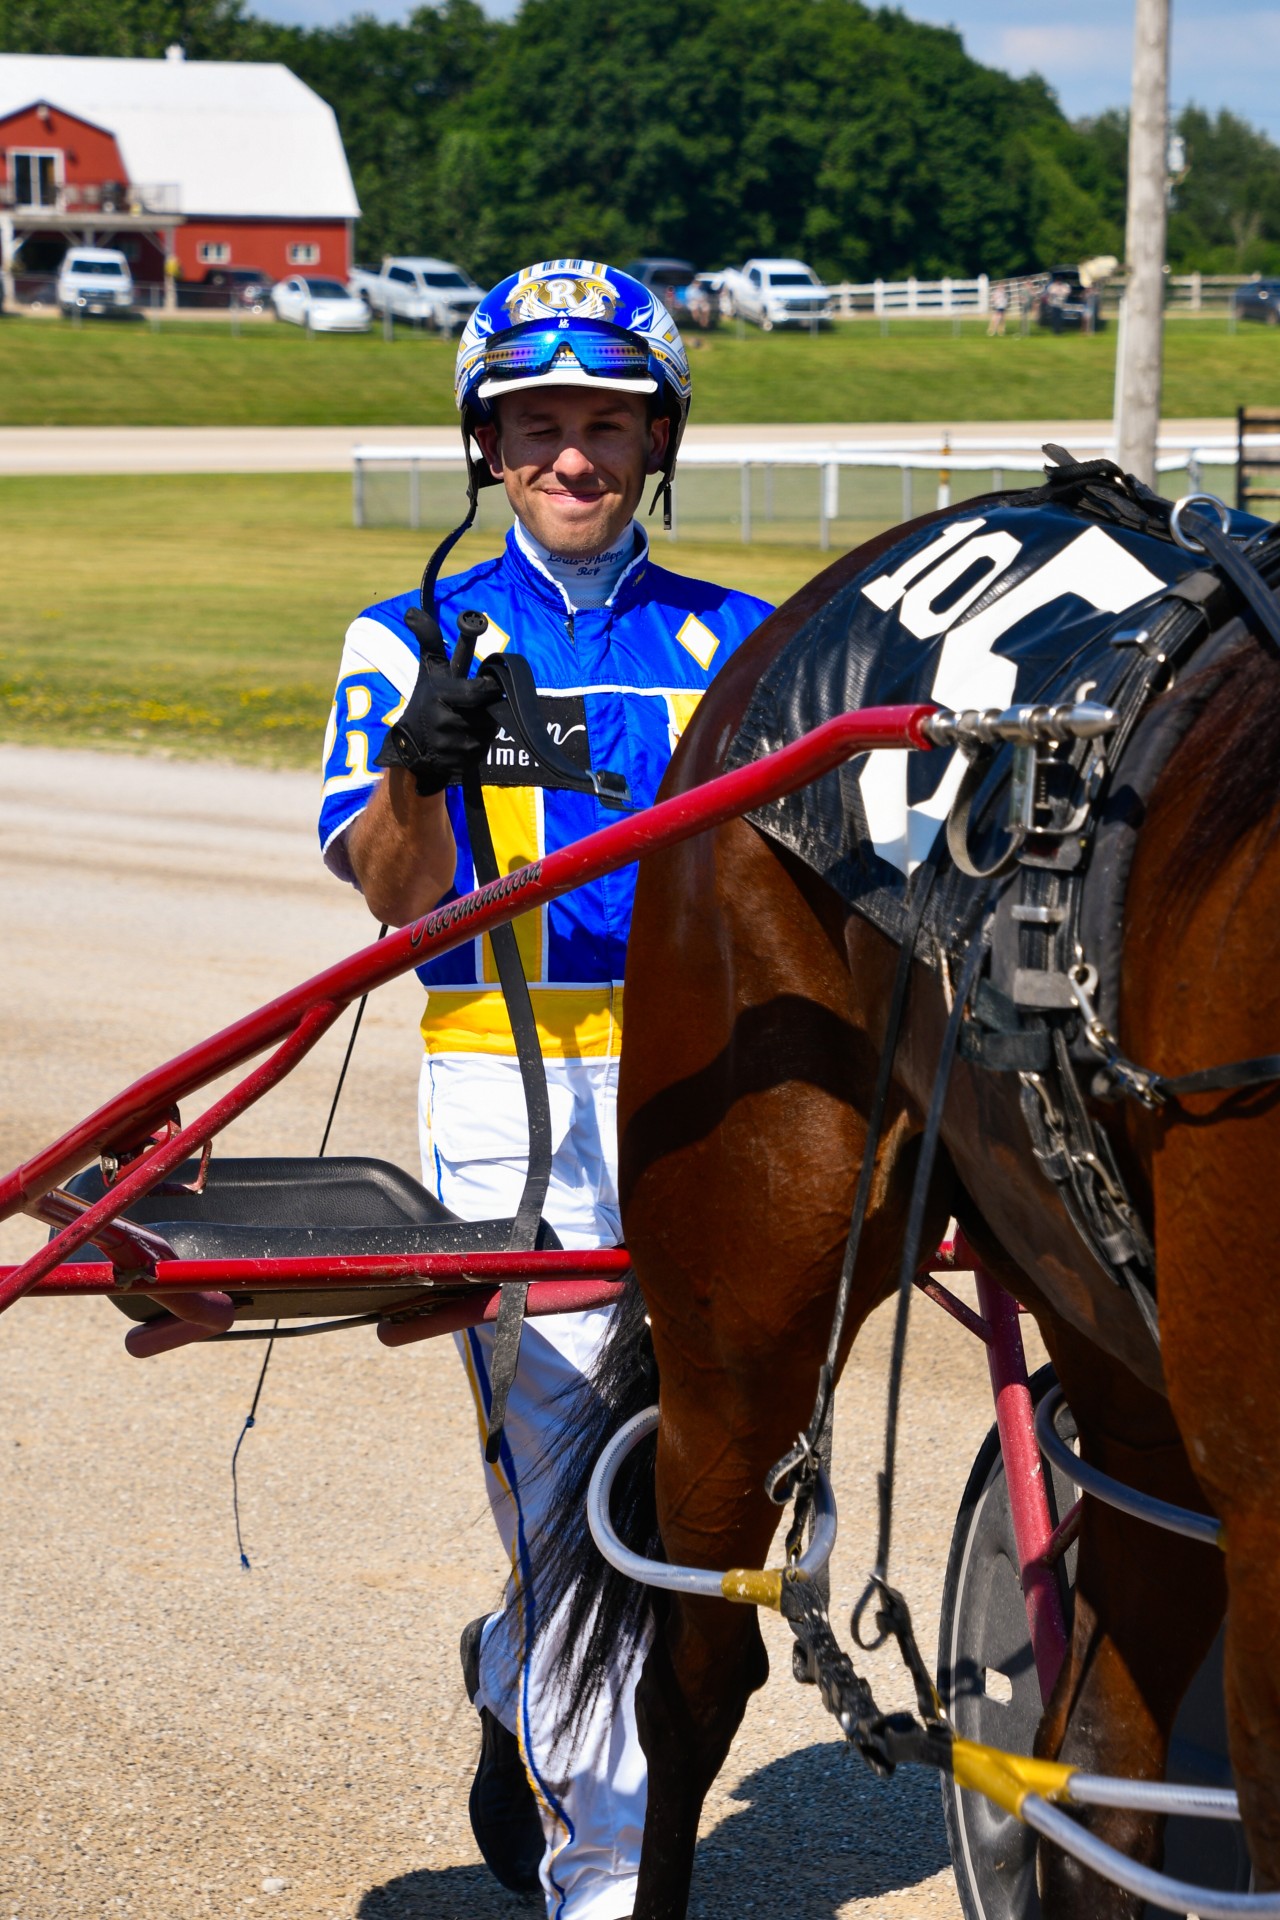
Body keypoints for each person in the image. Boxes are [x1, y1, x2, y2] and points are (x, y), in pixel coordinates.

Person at [318, 257, 773, 1920]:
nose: (572, 457)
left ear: (658, 439)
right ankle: (602, 1881)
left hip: (724, 1101)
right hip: (513, 1102)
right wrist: (418, 767)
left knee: (720, 1466)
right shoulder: (407, 635)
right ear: (484, 445)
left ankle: (518, 1655)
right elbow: (385, 886)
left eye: (607, 423)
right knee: (598, 1479)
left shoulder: (746, 641)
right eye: (536, 425)